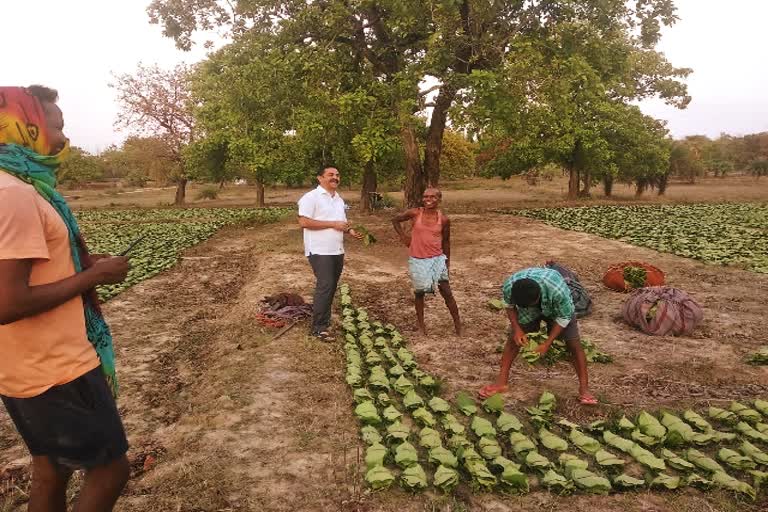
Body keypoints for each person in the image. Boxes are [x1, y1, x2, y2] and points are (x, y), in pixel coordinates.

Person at [0, 86, 132, 511]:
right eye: (54, 126)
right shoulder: (14, 195)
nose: (62, 139)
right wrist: (92, 276)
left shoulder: (17, 186)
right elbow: (7, 303)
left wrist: (86, 264)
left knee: (51, 470)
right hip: (55, 366)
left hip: (20, 366)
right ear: (24, 127)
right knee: (111, 471)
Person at [479, 267, 597, 405]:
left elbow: (564, 317)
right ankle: (501, 383)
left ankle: (584, 389)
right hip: (529, 305)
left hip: (557, 308)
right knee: (513, 340)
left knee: (573, 343)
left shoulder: (558, 292)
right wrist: (517, 329)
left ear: (538, 298)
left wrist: (547, 343)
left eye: (530, 305)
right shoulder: (510, 286)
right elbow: (509, 306)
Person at [298, 166, 362, 341]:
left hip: (337, 250)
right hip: (319, 250)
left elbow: (341, 222)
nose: (335, 177)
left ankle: (324, 320)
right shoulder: (311, 197)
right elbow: (303, 221)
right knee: (325, 286)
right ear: (320, 178)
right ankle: (318, 328)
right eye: (330, 175)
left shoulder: (338, 199)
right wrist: (333, 224)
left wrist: (350, 231)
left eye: (337, 175)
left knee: (331, 286)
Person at [392, 188, 462, 336]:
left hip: (437, 259)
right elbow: (395, 220)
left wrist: (447, 263)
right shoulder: (415, 213)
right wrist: (403, 237)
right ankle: (421, 325)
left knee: (446, 291)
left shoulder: (443, 219)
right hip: (418, 259)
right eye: (425, 196)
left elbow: (446, 242)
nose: (428, 199)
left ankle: (458, 325)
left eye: (432, 197)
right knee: (419, 293)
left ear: (439, 199)